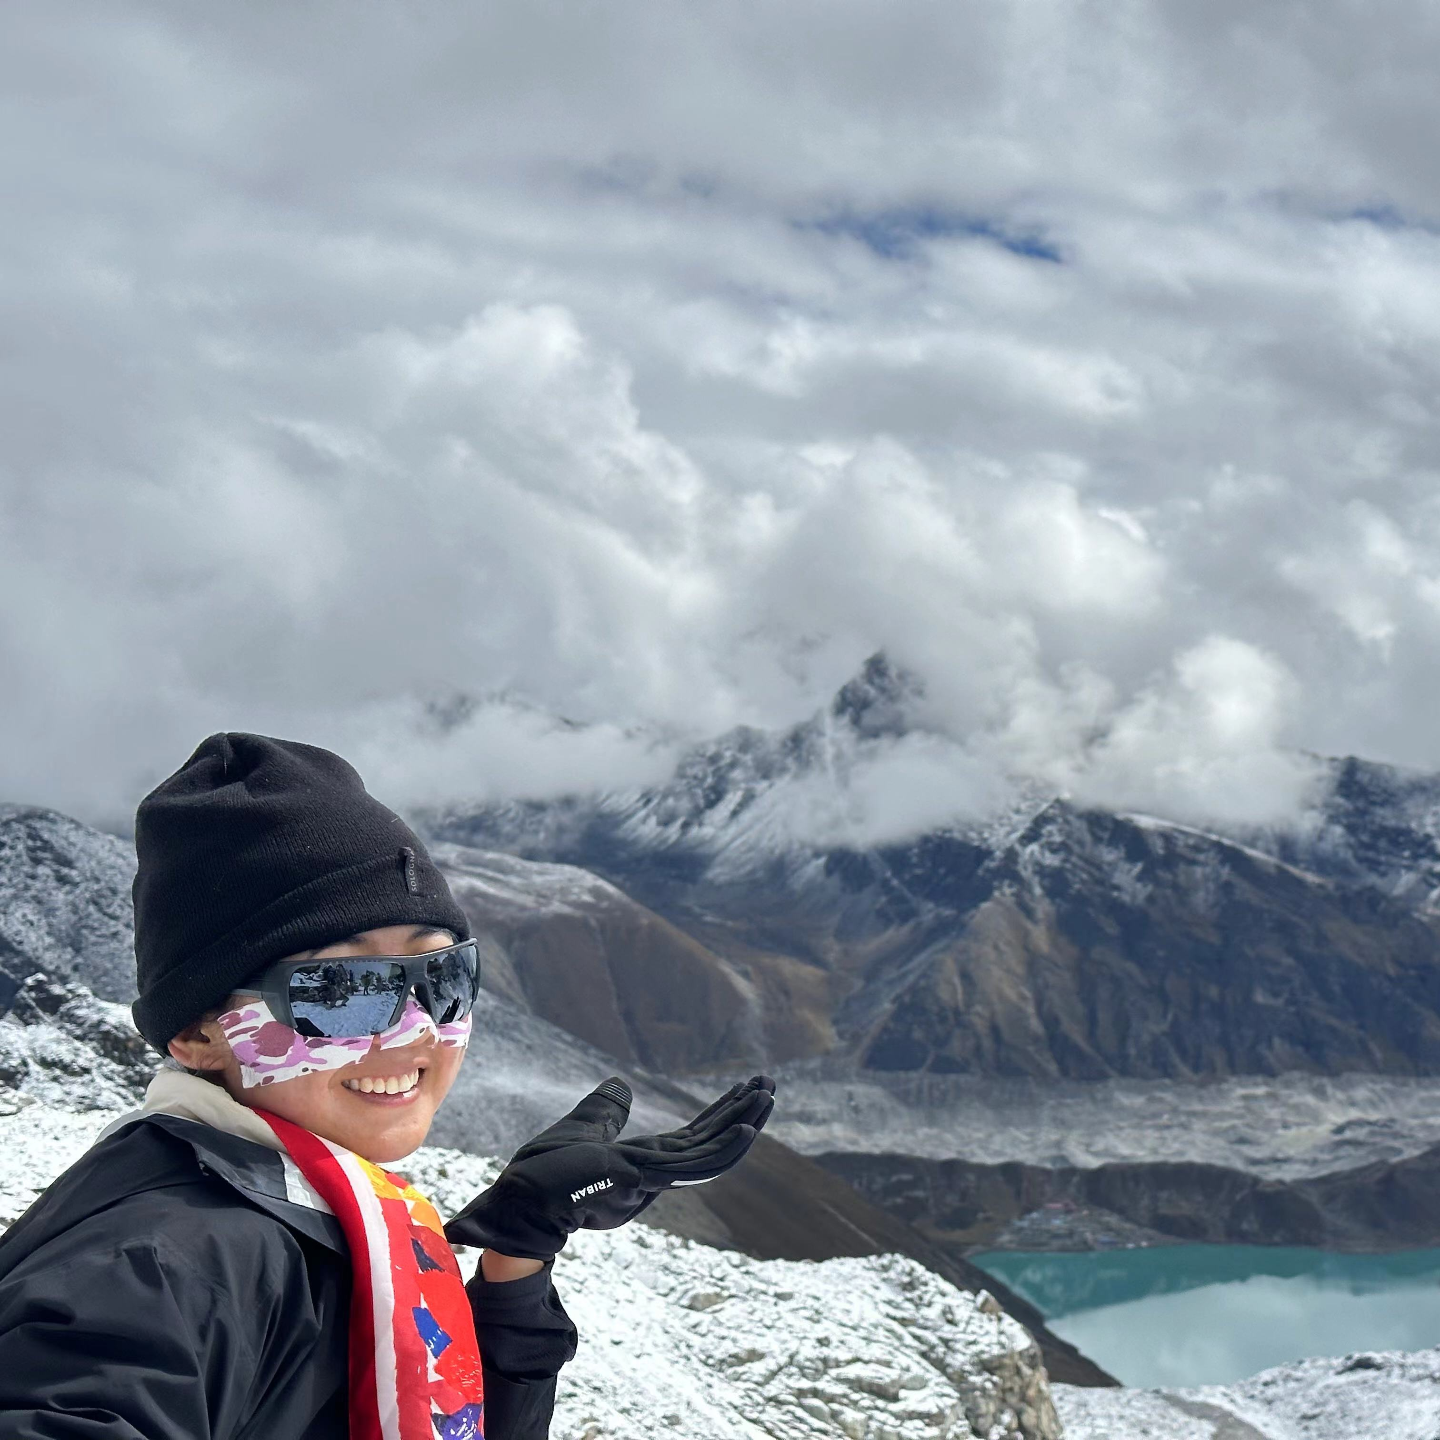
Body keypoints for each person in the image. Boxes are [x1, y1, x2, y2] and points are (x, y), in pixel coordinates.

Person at [0, 733, 776, 1439]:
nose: (415, 1030)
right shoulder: (164, 1263)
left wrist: (516, 1261)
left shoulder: (310, 1212)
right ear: (196, 1034)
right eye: (342, 989)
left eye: (443, 976)